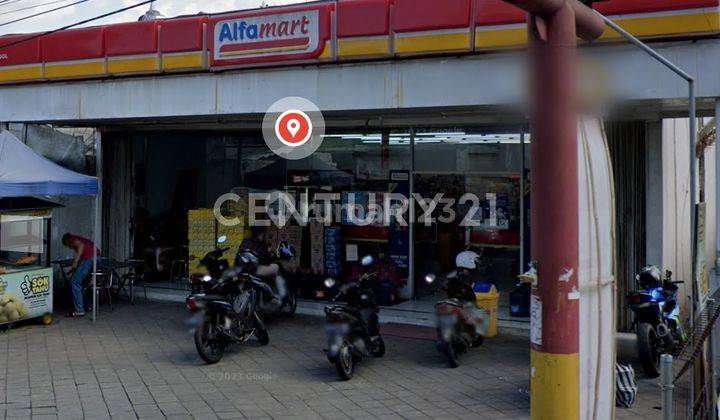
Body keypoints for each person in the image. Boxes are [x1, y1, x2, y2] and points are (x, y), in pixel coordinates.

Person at [62, 233, 100, 317]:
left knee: (75, 283)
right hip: (97, 258)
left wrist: (75, 261)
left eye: (67, 245)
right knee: (83, 284)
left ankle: (79, 310)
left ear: (67, 241)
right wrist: (73, 269)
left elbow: (81, 246)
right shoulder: (81, 239)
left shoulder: (72, 239)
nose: (69, 247)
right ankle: (87, 306)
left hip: (89, 259)